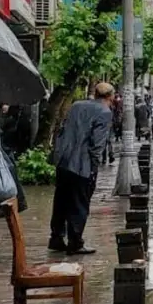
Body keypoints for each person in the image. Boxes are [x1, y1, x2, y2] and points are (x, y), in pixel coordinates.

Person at [49, 83, 115, 255]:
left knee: (61, 200)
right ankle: (75, 241)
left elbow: (62, 130)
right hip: (82, 165)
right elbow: (97, 143)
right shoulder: (105, 113)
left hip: (64, 161)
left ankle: (56, 237)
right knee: (79, 203)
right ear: (111, 96)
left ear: (94, 93)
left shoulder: (77, 105)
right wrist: (94, 166)